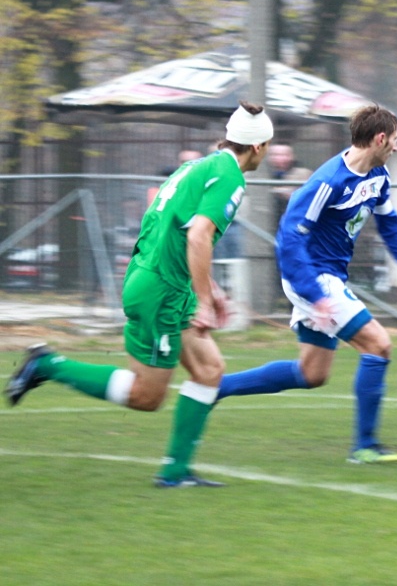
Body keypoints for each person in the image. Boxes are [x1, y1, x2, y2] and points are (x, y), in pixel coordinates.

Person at [5, 101, 274, 486]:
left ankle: (176, 471)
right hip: (163, 291)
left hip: (159, 280)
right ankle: (48, 365)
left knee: (209, 369)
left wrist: (207, 289)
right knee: (147, 396)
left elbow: (167, 226)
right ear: (259, 146)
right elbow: (198, 235)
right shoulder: (230, 178)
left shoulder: (195, 167)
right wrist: (201, 298)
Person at [213, 104, 397, 464]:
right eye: (394, 140)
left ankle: (217, 388)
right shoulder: (328, 182)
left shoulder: (378, 177)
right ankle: (365, 447)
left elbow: (391, 226)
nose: (396, 147)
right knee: (379, 345)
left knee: (311, 373)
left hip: (326, 279)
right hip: (312, 276)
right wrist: (316, 293)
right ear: (379, 139)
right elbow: (289, 240)